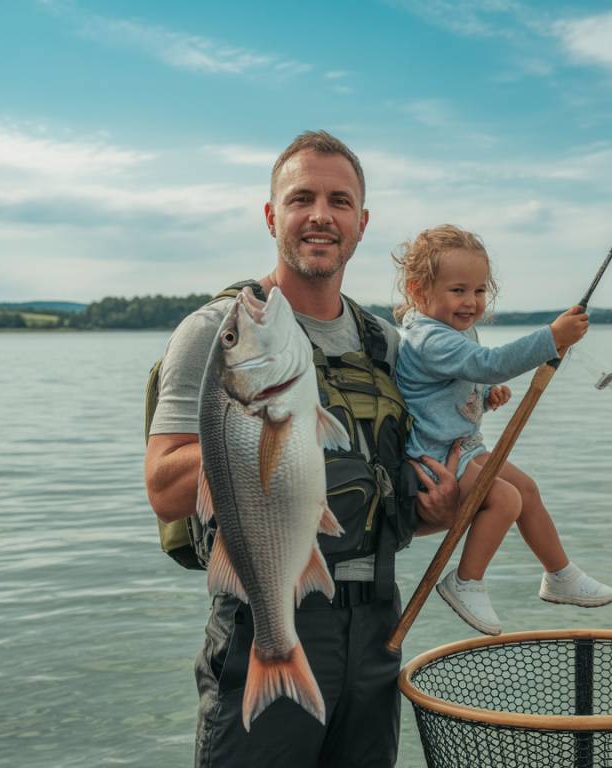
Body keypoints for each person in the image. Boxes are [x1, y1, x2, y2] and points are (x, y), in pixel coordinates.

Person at [144, 131, 460, 768]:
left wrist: (441, 508)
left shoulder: (387, 346)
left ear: (362, 223)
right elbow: (164, 489)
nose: (321, 215)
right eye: (301, 199)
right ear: (271, 216)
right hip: (265, 609)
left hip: (378, 623)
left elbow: (389, 499)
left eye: (340, 201)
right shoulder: (216, 332)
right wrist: (255, 430)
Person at [392, 224, 612, 637]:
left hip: (462, 445)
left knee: (526, 489)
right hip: (434, 459)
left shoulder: (456, 330)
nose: (471, 301)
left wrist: (485, 393)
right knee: (505, 498)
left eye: (479, 290)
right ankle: (466, 581)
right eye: (458, 290)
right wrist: (551, 338)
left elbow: (463, 377)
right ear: (418, 290)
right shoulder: (428, 337)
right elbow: (488, 363)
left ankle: (560, 574)